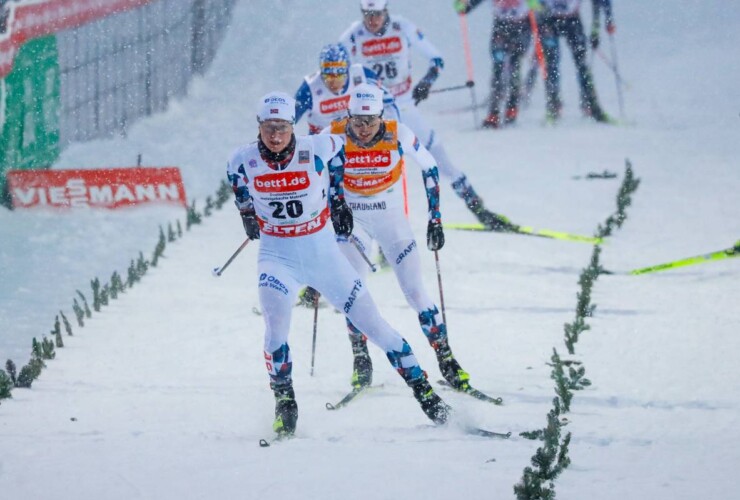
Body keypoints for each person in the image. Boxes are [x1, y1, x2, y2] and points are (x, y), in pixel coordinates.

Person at [226, 91, 450, 437]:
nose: (275, 136)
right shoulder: (241, 160)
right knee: (275, 331)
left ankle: (428, 396)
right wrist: (245, 212)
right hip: (277, 258)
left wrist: (338, 200)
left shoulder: (317, 146)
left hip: (324, 256)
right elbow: (236, 181)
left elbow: (341, 152)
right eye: (269, 128)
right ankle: (285, 404)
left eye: (283, 127)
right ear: (259, 126)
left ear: (292, 126)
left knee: (376, 327)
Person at [323, 83, 472, 393]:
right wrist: (329, 205)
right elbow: (307, 164)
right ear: (348, 115)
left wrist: (435, 219)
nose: (362, 130)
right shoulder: (334, 131)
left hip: (392, 222)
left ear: (381, 116)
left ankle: (446, 359)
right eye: (357, 122)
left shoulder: (398, 133)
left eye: (370, 122)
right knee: (353, 293)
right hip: (355, 223)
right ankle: (360, 358)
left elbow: (430, 167)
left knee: (416, 292)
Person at [338, 0, 518, 232]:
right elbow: (332, 72)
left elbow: (437, 60)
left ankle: (479, 209)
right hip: (373, 115)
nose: (372, 21)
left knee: (437, 157)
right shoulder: (353, 35)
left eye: (377, 14)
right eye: (367, 15)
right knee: (372, 169)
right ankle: (370, 228)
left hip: (404, 106)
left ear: (387, 11)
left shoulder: (402, 27)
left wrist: (426, 83)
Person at [293, 43, 399, 308]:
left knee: (368, 203)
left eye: (339, 74)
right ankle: (316, 285)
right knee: (325, 217)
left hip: (357, 156)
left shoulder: (363, 75)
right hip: (328, 160)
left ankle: (380, 249)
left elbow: (388, 103)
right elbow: (288, 123)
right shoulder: (310, 88)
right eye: (328, 75)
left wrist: (393, 134)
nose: (335, 82)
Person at [454, 0, 537, 129]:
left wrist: (537, 5)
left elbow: (542, 7)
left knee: (514, 67)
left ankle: (512, 108)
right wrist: (463, 6)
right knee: (498, 69)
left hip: (522, 28)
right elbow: (466, 7)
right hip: (501, 28)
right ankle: (494, 113)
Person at [537, 0, 611, 122]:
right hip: (549, 22)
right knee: (551, 65)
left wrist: (596, 29)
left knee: (582, 65)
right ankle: (553, 106)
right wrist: (540, 12)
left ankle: (593, 106)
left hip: (572, 21)